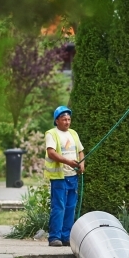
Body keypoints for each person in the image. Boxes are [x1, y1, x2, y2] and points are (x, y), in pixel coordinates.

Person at [44, 106, 85, 247]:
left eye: (69, 119)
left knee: (70, 206)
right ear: (57, 121)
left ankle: (66, 237)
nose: (67, 122)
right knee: (59, 206)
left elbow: (81, 151)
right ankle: (54, 237)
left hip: (72, 176)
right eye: (64, 119)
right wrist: (68, 161)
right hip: (59, 177)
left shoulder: (73, 133)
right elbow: (51, 153)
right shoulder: (51, 134)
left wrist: (82, 164)